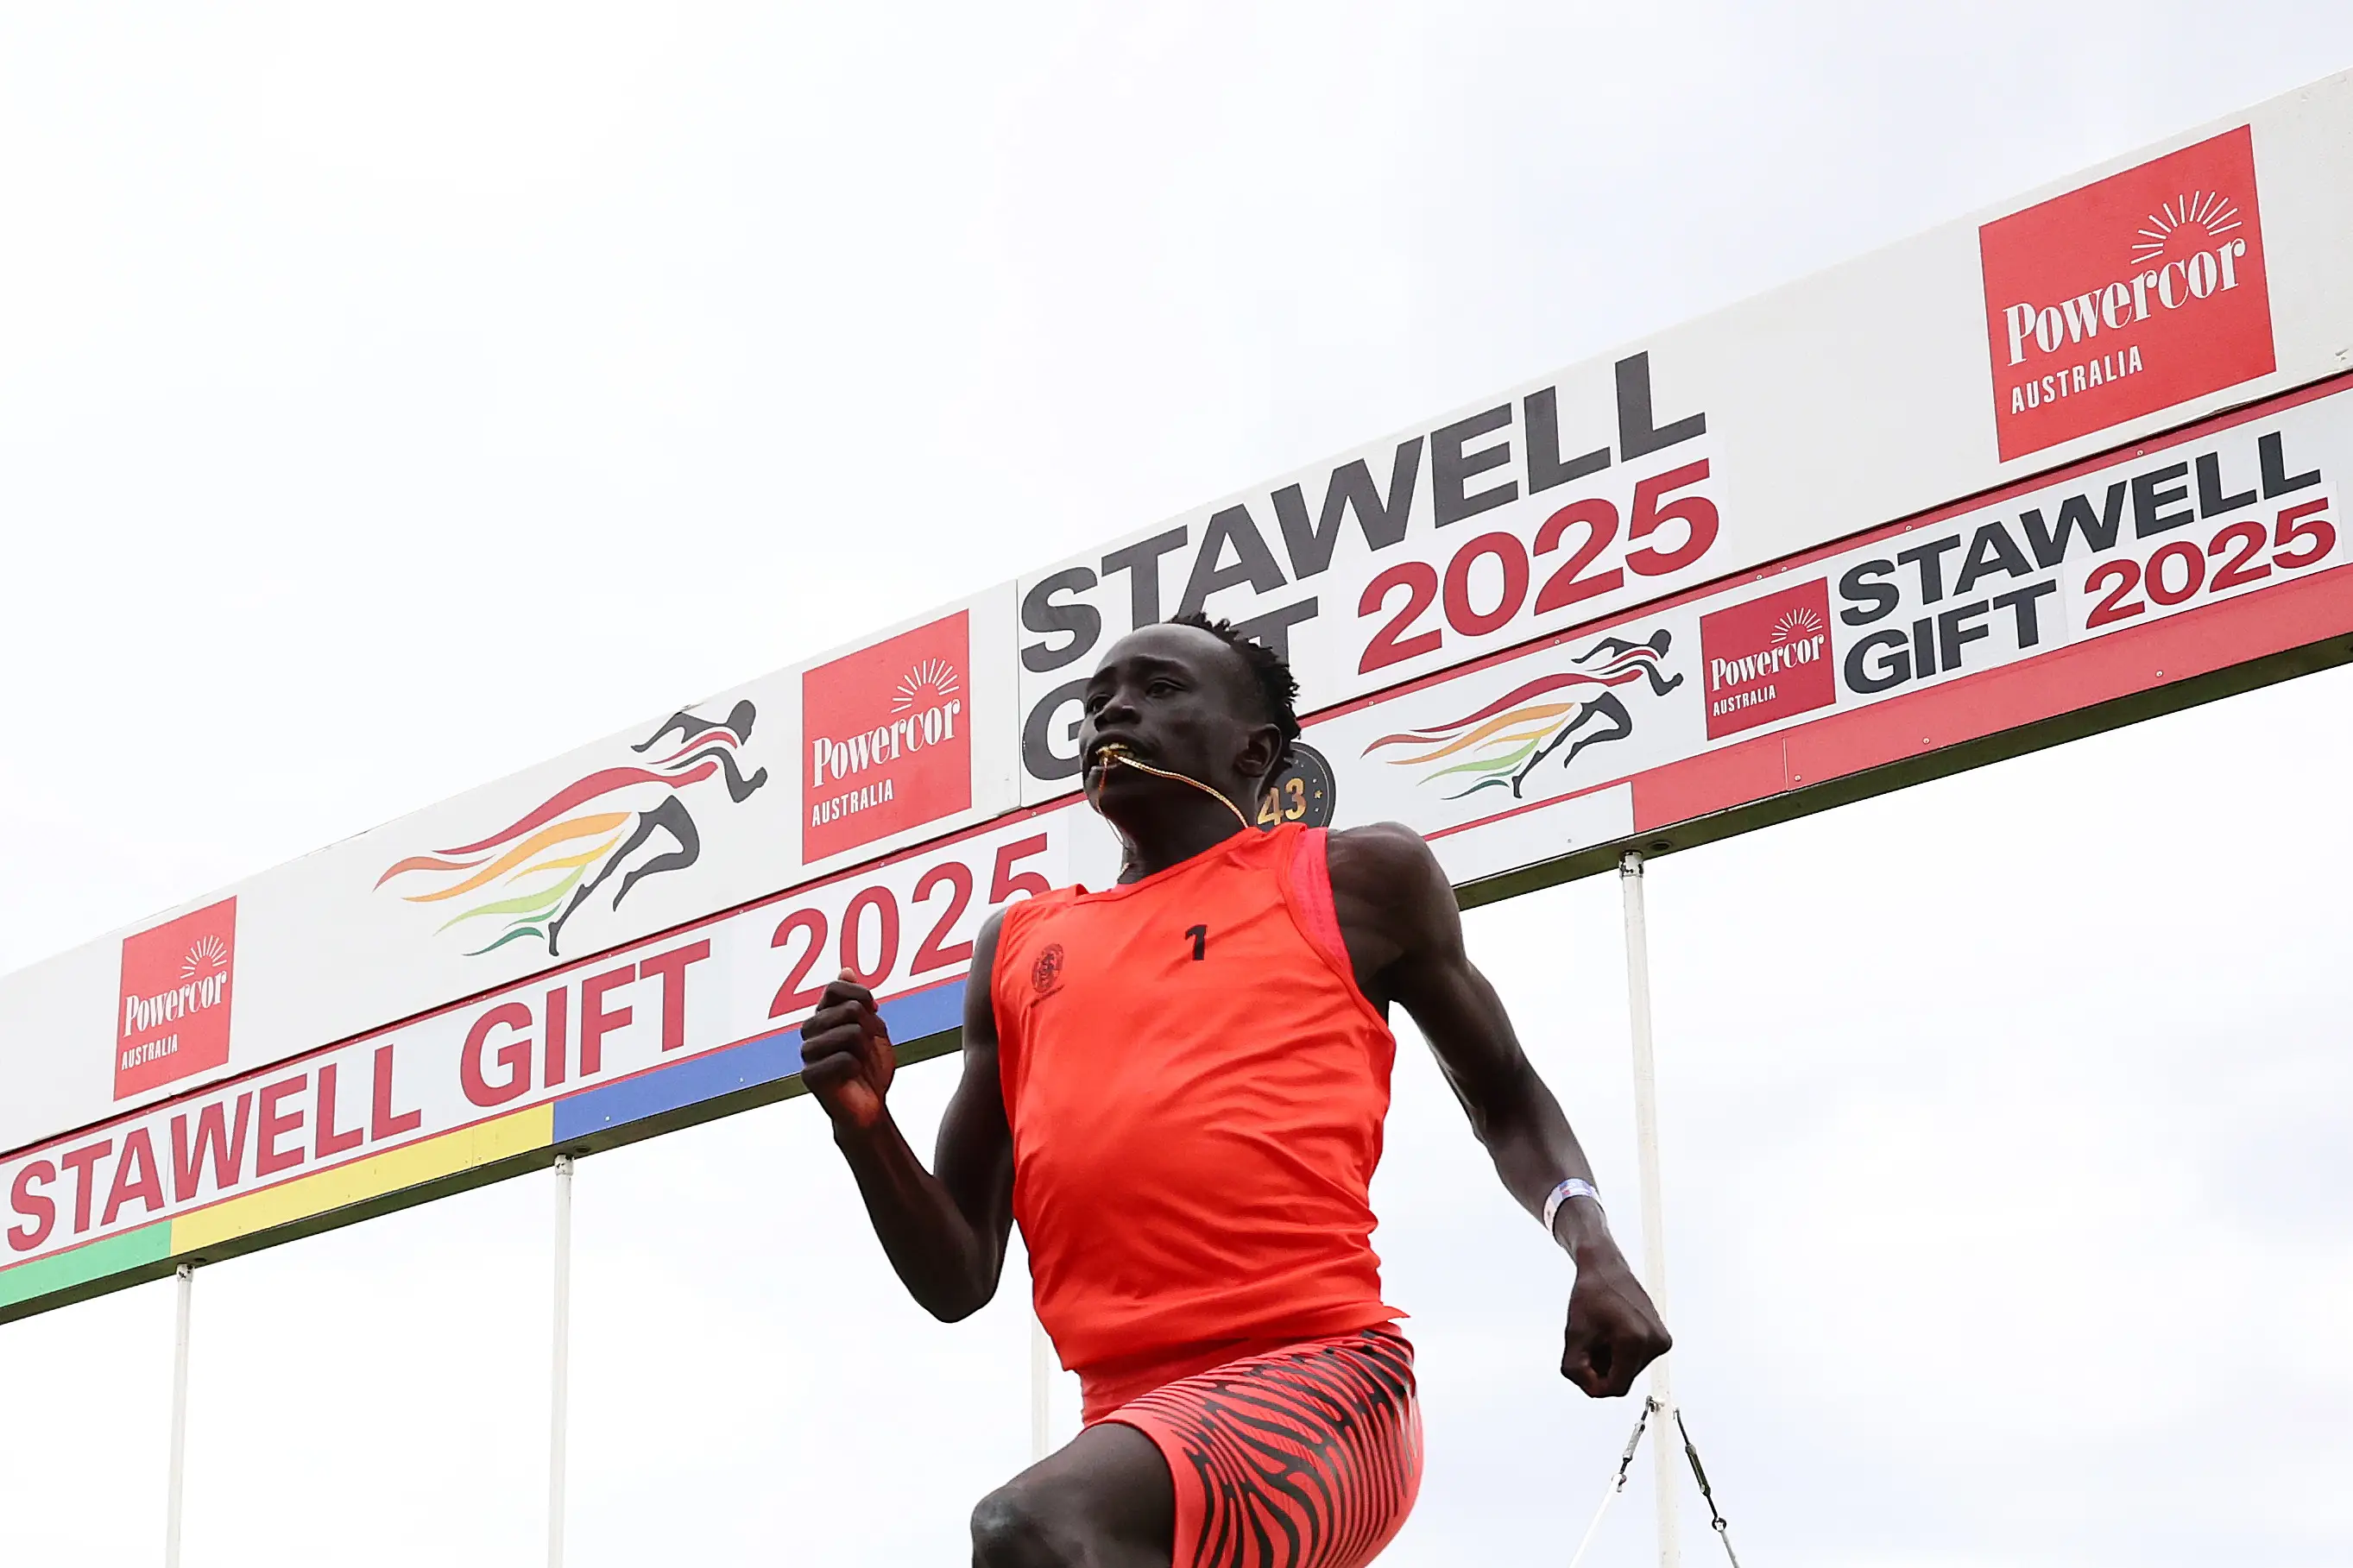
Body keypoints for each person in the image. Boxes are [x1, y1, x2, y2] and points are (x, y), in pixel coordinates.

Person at [803, 613, 1672, 1568]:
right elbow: (957, 1276)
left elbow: (1502, 1094)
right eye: (1094, 702)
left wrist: (1591, 1247)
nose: (1111, 712)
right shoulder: (1013, 946)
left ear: (1256, 749)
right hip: (1125, 1421)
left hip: (1325, 1385)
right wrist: (866, 1125)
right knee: (1048, 1529)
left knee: (1032, 1532)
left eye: (1157, 689)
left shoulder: (1353, 877)